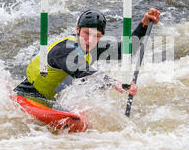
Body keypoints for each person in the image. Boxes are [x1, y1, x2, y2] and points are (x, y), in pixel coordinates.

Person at [14, 8, 161, 103]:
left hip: (49, 101)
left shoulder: (93, 48)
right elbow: (82, 71)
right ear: (77, 30)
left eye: (96, 36)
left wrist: (144, 25)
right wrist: (117, 83)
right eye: (86, 33)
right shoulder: (65, 48)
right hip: (27, 96)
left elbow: (127, 49)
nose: (90, 40)